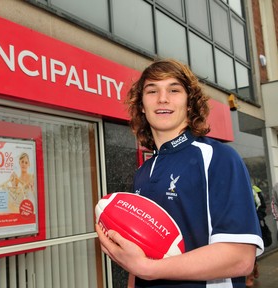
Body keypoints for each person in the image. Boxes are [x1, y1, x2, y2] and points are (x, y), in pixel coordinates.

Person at [95, 58, 264, 287]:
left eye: (174, 90)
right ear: (142, 106)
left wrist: (148, 269)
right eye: (152, 90)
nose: (162, 98)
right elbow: (140, 257)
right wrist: (138, 270)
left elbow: (240, 258)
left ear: (189, 103)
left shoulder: (218, 157)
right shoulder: (144, 171)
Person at [246, 185, 266, 286]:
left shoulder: (255, 190)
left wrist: (257, 219)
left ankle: (250, 275)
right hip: (242, 224)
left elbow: (262, 206)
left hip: (253, 224)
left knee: (251, 249)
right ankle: (254, 268)